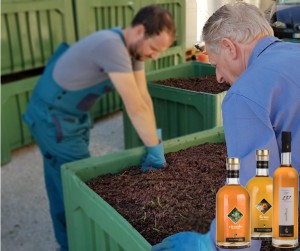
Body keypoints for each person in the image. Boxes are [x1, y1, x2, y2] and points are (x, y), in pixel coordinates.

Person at [23, 5, 175, 251]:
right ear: (139, 31)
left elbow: (143, 98)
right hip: (53, 116)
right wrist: (154, 150)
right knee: (75, 183)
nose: (156, 55)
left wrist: (156, 141)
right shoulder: (111, 46)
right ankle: (72, 243)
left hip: (73, 115)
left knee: (62, 175)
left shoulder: (134, 52)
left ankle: (70, 238)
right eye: (155, 49)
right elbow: (134, 107)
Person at [152, 2, 300, 251]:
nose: (219, 77)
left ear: (230, 48)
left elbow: (254, 185)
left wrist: (210, 244)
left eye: (215, 64)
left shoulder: (244, 94)